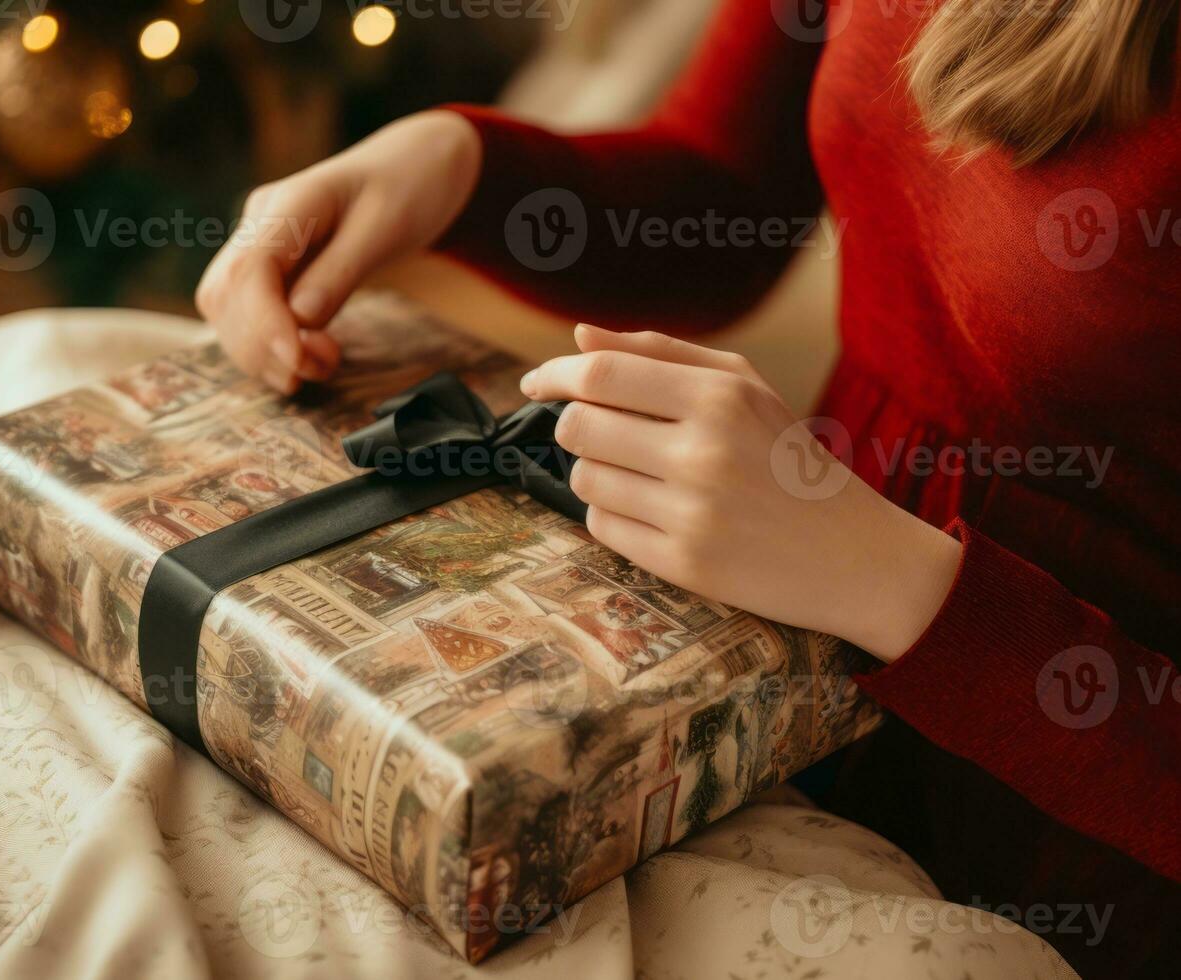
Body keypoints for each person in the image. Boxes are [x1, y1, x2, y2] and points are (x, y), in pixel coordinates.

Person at [195, 1, 1180, 974]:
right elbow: (729, 196)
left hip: (1084, 835)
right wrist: (452, 163)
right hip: (772, 675)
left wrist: (890, 581)